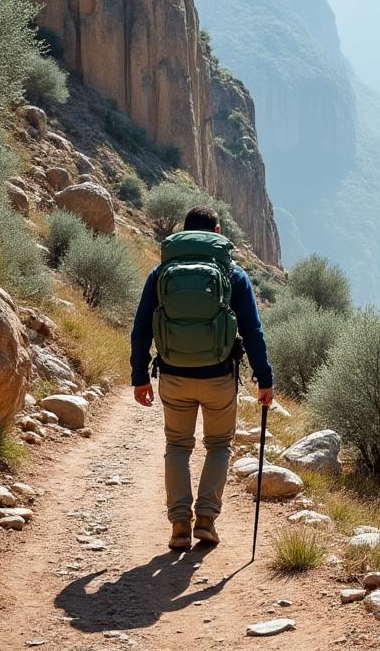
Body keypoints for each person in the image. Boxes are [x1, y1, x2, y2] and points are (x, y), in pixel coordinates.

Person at [130, 206, 274, 550]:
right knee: (219, 445)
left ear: (185, 233)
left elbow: (140, 329)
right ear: (218, 231)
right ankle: (206, 519)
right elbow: (253, 331)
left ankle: (180, 524)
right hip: (219, 378)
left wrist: (139, 376)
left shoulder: (161, 272)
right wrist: (264, 378)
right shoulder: (233, 273)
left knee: (177, 446)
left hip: (174, 375)